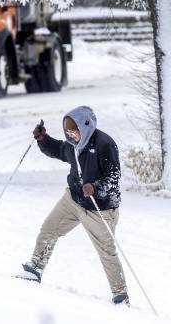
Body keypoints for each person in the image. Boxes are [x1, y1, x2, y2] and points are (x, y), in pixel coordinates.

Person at [18, 106, 129, 305]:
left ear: (85, 126)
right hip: (74, 198)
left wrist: (95, 188)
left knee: (106, 251)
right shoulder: (72, 145)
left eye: (74, 130)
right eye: (67, 131)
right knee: (48, 230)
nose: (71, 135)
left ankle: (120, 295)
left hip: (99, 208)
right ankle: (35, 269)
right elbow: (59, 150)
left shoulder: (104, 144)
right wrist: (43, 139)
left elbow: (114, 178)